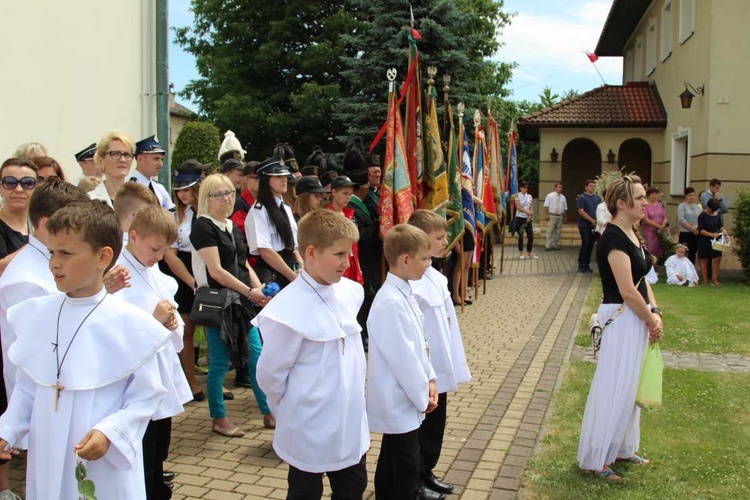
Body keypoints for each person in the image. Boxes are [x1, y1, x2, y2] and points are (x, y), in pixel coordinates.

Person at [0, 200, 171, 498]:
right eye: (52, 251)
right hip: (47, 453)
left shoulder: (130, 325)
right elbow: (28, 388)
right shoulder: (37, 314)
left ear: (103, 256)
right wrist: (8, 430)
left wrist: (111, 432)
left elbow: (146, 396)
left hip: (100, 461)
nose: (54, 262)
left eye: (65, 253)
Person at [255, 209, 369, 500]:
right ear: (311, 252)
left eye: (349, 253)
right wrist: (290, 410)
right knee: (305, 490)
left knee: (352, 486)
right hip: (309, 421)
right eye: (339, 254)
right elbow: (271, 374)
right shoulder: (287, 310)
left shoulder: (351, 292)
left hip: (349, 417)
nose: (347, 262)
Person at [0, 179, 89, 497]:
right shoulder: (28, 279)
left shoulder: (49, 264)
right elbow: (41, 358)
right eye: (76, 223)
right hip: (51, 407)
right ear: (49, 225)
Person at [577, 174, 663, 481]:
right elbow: (627, 290)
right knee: (613, 387)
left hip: (636, 316)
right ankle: (597, 458)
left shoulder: (633, 233)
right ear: (622, 204)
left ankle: (624, 448)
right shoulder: (612, 238)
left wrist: (654, 311)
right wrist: (650, 318)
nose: (645, 202)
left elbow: (643, 282)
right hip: (620, 316)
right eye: (639, 198)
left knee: (631, 386)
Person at [114, 206, 192, 499]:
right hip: (133, 378)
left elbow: (165, 305)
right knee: (143, 447)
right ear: (133, 236)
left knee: (160, 443)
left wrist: (173, 322)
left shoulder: (151, 267)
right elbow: (116, 324)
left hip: (159, 369)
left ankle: (157, 483)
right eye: (155, 248)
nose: (158, 256)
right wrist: (154, 320)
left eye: (164, 250)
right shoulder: (117, 272)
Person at [190, 174, 274, 435]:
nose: (226, 198)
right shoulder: (203, 226)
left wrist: (259, 288)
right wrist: (251, 292)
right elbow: (216, 271)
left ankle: (269, 411)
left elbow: (243, 263)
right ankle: (219, 418)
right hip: (219, 304)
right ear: (207, 198)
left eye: (229, 192)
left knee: (257, 358)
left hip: (240, 301)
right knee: (219, 362)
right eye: (219, 194)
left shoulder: (229, 225)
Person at [367, 224, 439, 500]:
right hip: (399, 399)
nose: (428, 263)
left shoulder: (404, 292)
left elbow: (421, 343)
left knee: (391, 464)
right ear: (406, 260)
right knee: (405, 470)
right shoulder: (390, 302)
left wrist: (430, 378)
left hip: (408, 396)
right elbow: (404, 360)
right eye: (425, 258)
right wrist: (423, 395)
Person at [408, 210, 471, 497]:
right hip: (423, 367)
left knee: (436, 423)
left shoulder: (434, 273)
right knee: (419, 426)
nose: (446, 241)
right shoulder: (411, 282)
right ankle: (414, 480)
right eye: (439, 237)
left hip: (439, 363)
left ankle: (427, 470)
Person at [162, 160, 208, 401]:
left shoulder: (207, 212)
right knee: (186, 332)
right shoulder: (171, 216)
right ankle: (190, 383)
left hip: (206, 268)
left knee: (212, 331)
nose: (182, 194)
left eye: (187, 189)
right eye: (178, 190)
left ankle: (214, 383)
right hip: (182, 274)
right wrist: (192, 281)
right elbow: (170, 256)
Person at [245, 157, 303, 289]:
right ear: (265, 180)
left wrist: (301, 269)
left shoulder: (286, 208)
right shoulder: (258, 211)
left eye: (285, 176)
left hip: (290, 269)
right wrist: (292, 277)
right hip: (272, 273)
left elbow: (294, 248)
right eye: (278, 176)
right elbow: (265, 252)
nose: (284, 180)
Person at [0, 158, 37, 275]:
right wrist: (37, 242)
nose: (19, 189)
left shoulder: (40, 224)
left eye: (27, 183)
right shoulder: (42, 233)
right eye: (10, 182)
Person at [327, 175, 364, 284]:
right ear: (333, 192)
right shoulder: (327, 216)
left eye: (350, 194)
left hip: (353, 264)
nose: (348, 197)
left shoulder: (350, 215)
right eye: (344, 193)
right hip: (337, 266)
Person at [88, 130, 136, 208]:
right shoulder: (89, 200)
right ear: (101, 160)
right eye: (115, 154)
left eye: (127, 154)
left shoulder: (139, 200)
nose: (123, 160)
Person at [131, 136, 175, 211]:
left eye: (161, 159)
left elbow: (172, 215)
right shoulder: (130, 187)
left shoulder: (159, 188)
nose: (160, 164)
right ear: (140, 159)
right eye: (156, 159)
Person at [697, 198, 726, 286]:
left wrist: (723, 230)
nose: (713, 211)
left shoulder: (718, 214)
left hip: (715, 240)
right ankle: (704, 280)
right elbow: (701, 230)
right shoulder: (702, 216)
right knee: (704, 259)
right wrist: (711, 234)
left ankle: (714, 279)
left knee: (717, 258)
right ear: (708, 207)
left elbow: (720, 225)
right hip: (704, 240)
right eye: (712, 210)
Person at [229, 160, 260, 239]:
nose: (260, 181)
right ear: (246, 179)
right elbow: (242, 232)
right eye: (256, 178)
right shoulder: (239, 203)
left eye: (262, 178)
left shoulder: (264, 201)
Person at [576, 179, 602, 273]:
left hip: (595, 226)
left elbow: (600, 210)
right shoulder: (582, 198)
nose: (592, 187)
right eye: (591, 186)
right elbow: (581, 211)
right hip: (584, 225)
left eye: (594, 186)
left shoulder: (598, 198)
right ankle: (581, 264)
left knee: (591, 245)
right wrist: (591, 220)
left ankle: (587, 264)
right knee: (585, 243)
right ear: (586, 187)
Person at [677, 187, 701, 263]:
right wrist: (691, 228)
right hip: (685, 232)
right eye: (689, 195)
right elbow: (681, 219)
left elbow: (700, 218)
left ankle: (691, 269)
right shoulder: (682, 206)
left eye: (693, 195)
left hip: (695, 233)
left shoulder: (697, 207)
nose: (691, 197)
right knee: (683, 251)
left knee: (693, 252)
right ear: (686, 196)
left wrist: (697, 227)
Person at [642, 187, 667, 259]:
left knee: (660, 247)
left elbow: (665, 217)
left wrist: (663, 226)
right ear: (648, 195)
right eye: (653, 194)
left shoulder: (660, 204)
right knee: (651, 247)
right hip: (650, 231)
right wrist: (658, 226)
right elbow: (645, 219)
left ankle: (658, 262)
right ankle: (651, 263)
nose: (655, 196)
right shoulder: (645, 205)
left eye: (656, 194)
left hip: (661, 230)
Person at [513, 181, 536, 259]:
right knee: (521, 235)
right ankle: (521, 252)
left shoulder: (529, 196)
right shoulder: (517, 196)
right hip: (520, 217)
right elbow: (518, 207)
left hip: (528, 218)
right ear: (521, 188)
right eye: (524, 187)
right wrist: (527, 212)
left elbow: (531, 206)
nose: (526, 189)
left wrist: (529, 215)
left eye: (527, 187)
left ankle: (529, 252)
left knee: (531, 235)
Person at [543, 182, 567, 250]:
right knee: (550, 231)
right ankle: (548, 245)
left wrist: (565, 216)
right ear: (555, 188)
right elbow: (546, 206)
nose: (560, 189)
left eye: (561, 187)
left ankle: (555, 244)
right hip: (552, 215)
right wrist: (546, 215)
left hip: (560, 216)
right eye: (559, 187)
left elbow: (565, 208)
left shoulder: (563, 197)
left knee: (558, 231)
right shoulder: (550, 196)